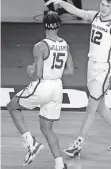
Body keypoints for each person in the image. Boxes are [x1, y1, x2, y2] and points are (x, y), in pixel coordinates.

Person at [45, 0, 111, 157]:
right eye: (102, 5)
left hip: (106, 69)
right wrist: (60, 3)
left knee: (91, 106)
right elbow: (76, 11)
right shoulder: (95, 16)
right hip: (91, 65)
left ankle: (78, 144)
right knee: (101, 105)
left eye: (107, 6)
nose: (104, 8)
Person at [6, 11, 74, 169]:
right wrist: (53, 72)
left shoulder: (40, 46)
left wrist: (30, 71)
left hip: (43, 85)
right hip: (57, 86)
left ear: (44, 25)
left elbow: (37, 74)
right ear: (59, 26)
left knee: (12, 106)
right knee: (47, 128)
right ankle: (59, 165)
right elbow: (70, 71)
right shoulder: (65, 45)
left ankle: (31, 143)